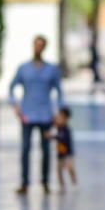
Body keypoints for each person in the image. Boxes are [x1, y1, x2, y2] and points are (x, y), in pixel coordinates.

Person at [9, 35, 64, 195]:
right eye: (36, 44)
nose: (38, 48)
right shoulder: (24, 68)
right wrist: (15, 105)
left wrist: (59, 111)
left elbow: (59, 91)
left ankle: (45, 182)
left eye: (42, 45)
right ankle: (24, 182)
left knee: (46, 150)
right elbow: (12, 87)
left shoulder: (51, 69)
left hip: (46, 115)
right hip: (27, 114)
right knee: (26, 148)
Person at [48, 107, 77, 193]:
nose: (58, 120)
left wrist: (52, 136)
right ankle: (62, 186)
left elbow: (62, 138)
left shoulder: (66, 130)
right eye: (58, 118)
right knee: (59, 170)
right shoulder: (58, 128)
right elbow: (52, 123)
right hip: (60, 154)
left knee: (69, 167)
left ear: (66, 119)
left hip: (68, 154)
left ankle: (74, 180)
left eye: (61, 118)